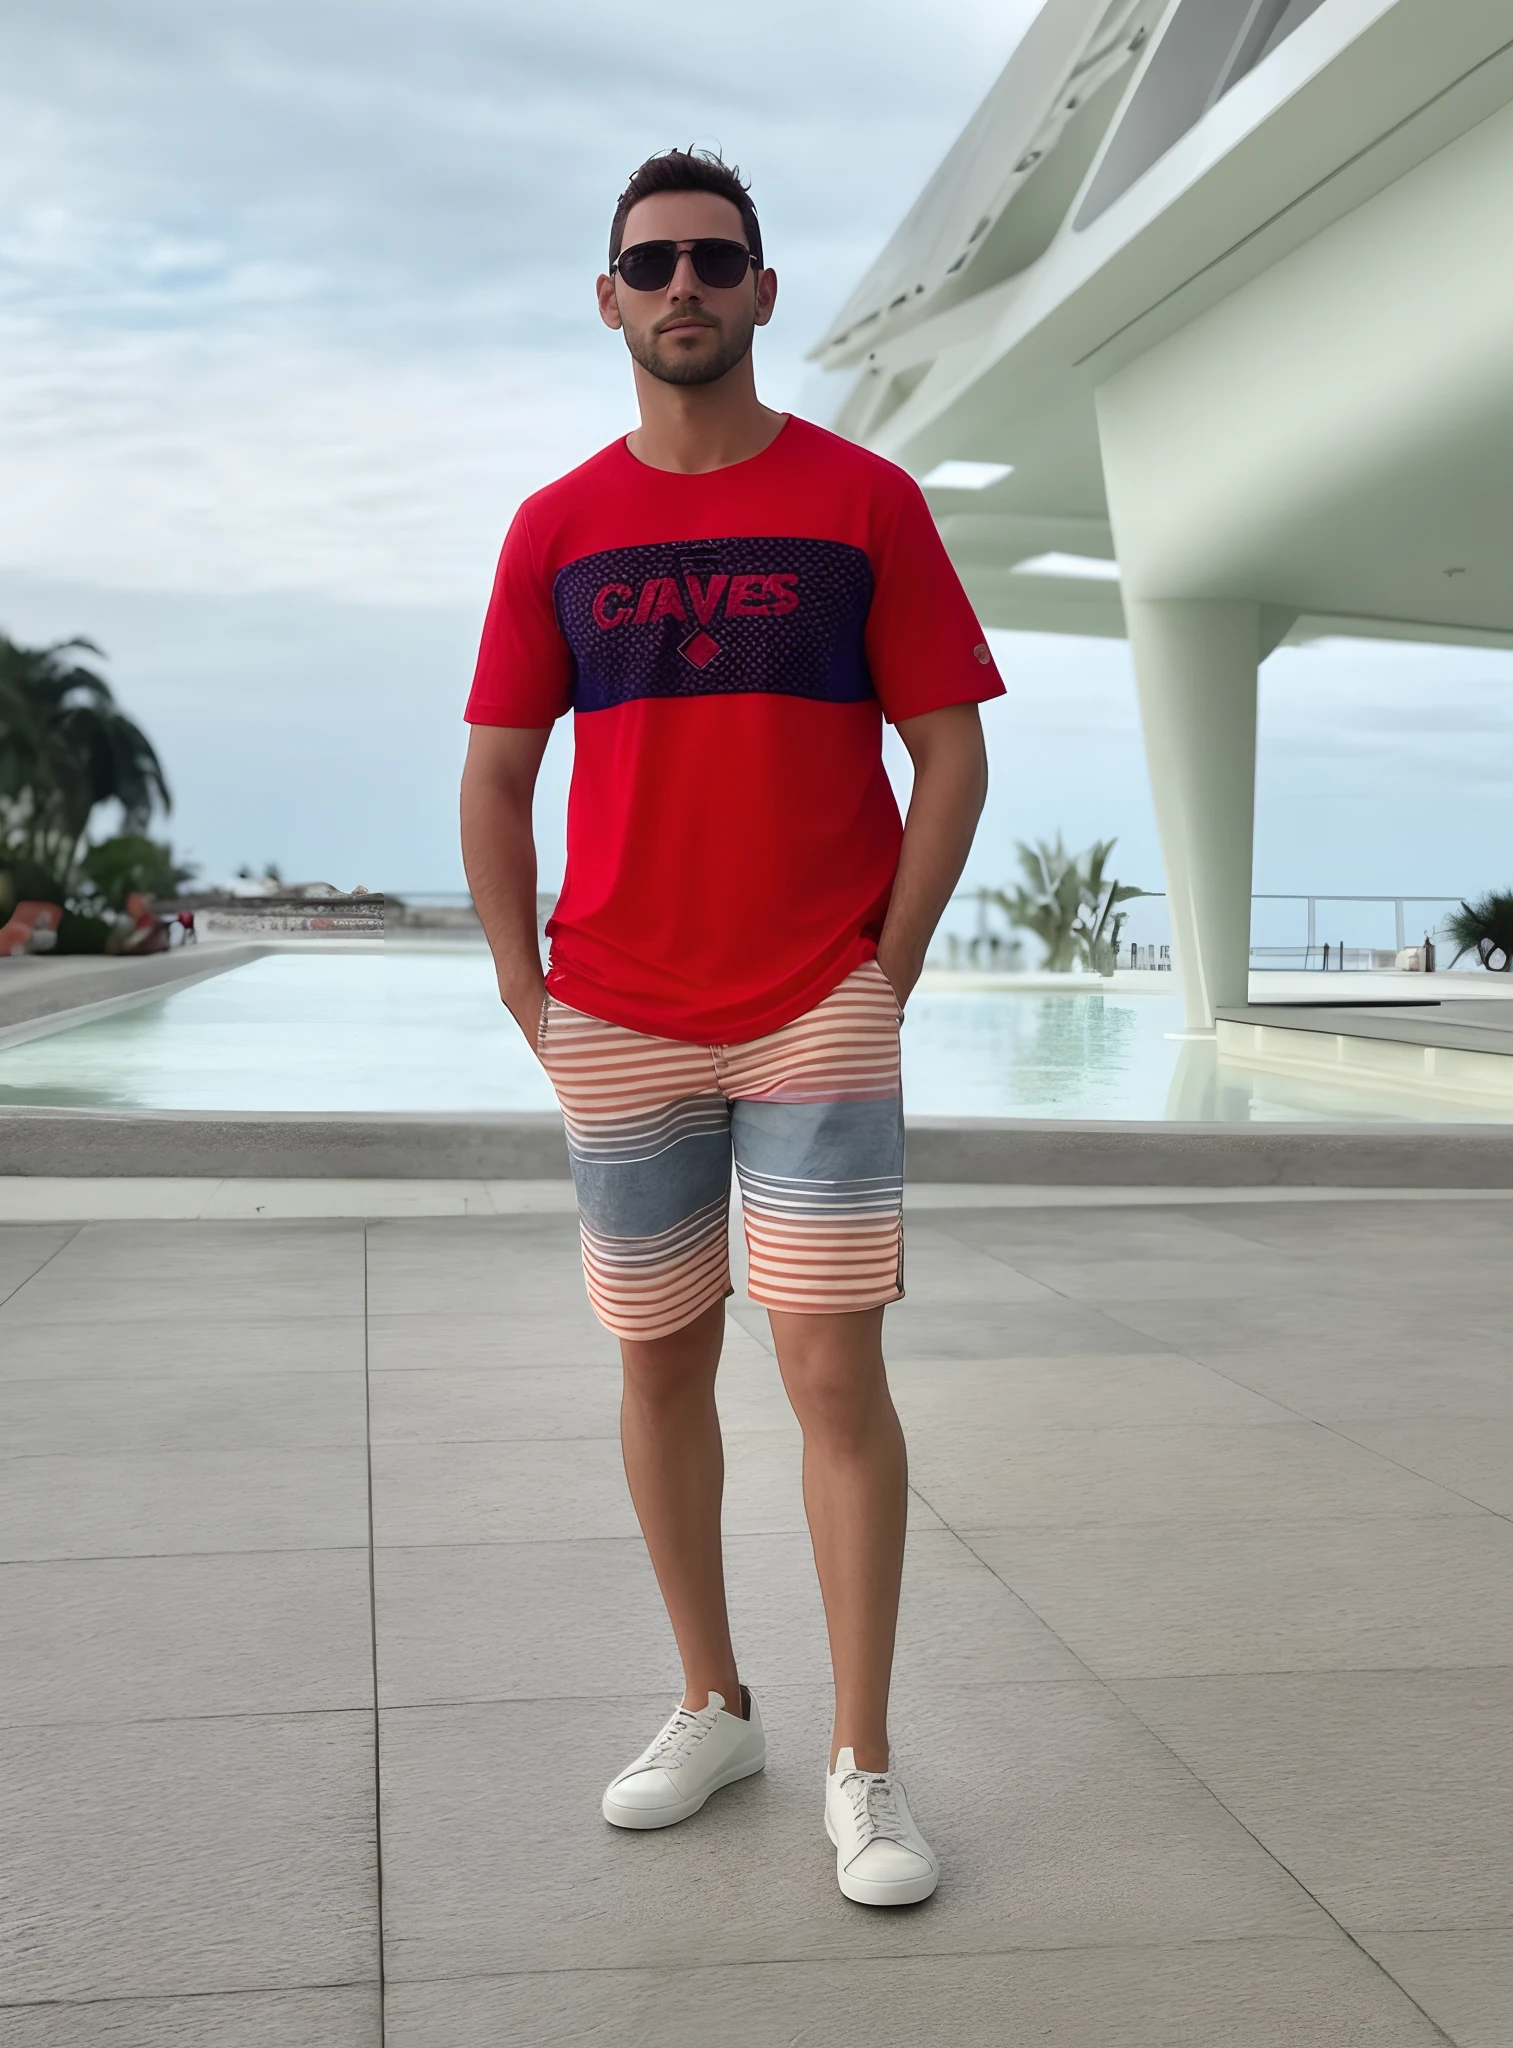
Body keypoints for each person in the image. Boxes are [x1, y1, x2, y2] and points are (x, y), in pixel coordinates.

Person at [460, 147, 1000, 1907]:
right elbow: (497, 771)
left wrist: (887, 969)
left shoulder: (864, 504)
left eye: (715, 259)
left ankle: (864, 1762)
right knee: (658, 1361)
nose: (682, 285)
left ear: (764, 292)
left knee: (831, 1365)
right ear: (608, 299)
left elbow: (950, 751)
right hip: (619, 1007)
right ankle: (714, 1703)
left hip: (813, 1005)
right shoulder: (555, 526)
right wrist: (525, 991)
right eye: (650, 263)